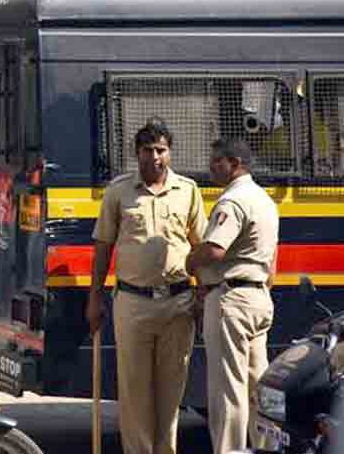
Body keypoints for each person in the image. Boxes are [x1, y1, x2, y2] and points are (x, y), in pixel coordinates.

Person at [86, 122, 207, 454]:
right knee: (134, 392)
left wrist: (203, 294)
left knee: (171, 391)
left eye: (160, 150)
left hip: (178, 303)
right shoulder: (118, 191)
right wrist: (94, 297)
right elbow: (103, 247)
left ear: (170, 152)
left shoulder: (188, 190)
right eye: (147, 150)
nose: (154, 157)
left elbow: (201, 247)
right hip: (132, 302)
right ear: (136, 154)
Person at [186, 138, 278, 454]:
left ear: (235, 164)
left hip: (231, 300)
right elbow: (272, 262)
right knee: (259, 389)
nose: (211, 167)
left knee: (227, 391)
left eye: (217, 161)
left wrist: (190, 261)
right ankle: (266, 448)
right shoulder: (265, 200)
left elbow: (215, 249)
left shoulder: (232, 201)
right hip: (259, 298)